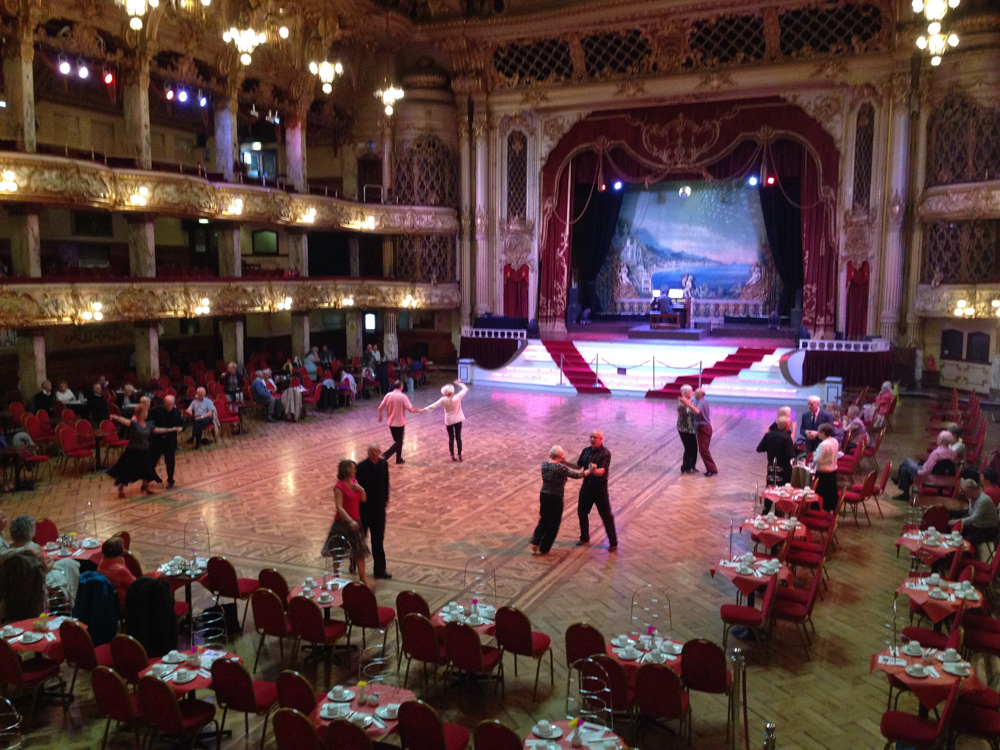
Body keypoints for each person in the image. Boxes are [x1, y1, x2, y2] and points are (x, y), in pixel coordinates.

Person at [531, 445, 589, 555]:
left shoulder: (544, 465)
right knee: (554, 522)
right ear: (561, 456)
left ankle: (536, 541)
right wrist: (589, 471)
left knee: (543, 519)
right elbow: (577, 475)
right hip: (555, 497)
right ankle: (545, 547)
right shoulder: (560, 468)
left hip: (544, 495)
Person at [322, 460, 370, 587]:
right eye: (353, 468)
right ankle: (336, 576)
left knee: (359, 551)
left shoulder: (354, 483)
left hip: (356, 521)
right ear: (347, 470)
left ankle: (363, 578)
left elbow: (364, 499)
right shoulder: (339, 487)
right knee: (338, 551)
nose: (355, 470)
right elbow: (339, 507)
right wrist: (350, 520)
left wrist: (360, 489)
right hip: (342, 523)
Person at [108, 403, 169, 497]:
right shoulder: (134, 424)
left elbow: (157, 430)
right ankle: (121, 487)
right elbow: (124, 421)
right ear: (140, 413)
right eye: (145, 412)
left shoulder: (148, 424)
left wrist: (171, 429)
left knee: (148, 469)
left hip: (145, 451)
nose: (147, 413)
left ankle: (145, 487)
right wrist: (116, 417)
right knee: (128, 471)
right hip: (132, 451)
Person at [574, 429, 618, 552]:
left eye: (595, 437)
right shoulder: (586, 451)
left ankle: (613, 542)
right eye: (591, 437)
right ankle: (584, 537)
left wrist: (594, 470)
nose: (592, 439)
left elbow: (602, 471)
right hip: (587, 486)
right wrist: (563, 462)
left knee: (606, 516)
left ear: (601, 439)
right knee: (582, 512)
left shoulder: (605, 453)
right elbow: (578, 465)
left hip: (599, 489)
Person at [355, 443, 391, 579]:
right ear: (370, 454)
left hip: (379, 510)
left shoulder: (383, 464)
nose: (378, 456)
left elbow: (386, 483)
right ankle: (355, 563)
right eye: (376, 454)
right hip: (365, 510)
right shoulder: (361, 467)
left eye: (379, 453)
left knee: (378, 540)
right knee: (361, 540)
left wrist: (385, 500)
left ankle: (380, 570)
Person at [893, 429, 957, 500]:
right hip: (942, 477)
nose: (937, 439)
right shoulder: (953, 453)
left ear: (941, 440)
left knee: (906, 460)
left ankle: (898, 479)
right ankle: (904, 493)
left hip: (928, 476)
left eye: (938, 438)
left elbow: (926, 471)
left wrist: (917, 472)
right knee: (904, 469)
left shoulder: (936, 453)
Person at [377, 381, 423, 465]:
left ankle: (398, 459)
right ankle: (385, 455)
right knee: (399, 442)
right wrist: (418, 410)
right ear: (401, 387)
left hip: (390, 422)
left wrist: (380, 416)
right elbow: (411, 409)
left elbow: (380, 407)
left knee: (397, 441)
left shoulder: (388, 395)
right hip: (399, 423)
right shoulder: (403, 397)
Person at [422, 379, 469, 461]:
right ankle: (460, 455)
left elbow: (433, 406)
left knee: (451, 438)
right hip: (458, 420)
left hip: (449, 420)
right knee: (458, 437)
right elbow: (465, 389)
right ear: (452, 392)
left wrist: (424, 409)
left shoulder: (443, 399)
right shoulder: (457, 397)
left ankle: (452, 455)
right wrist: (459, 383)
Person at [148, 395, 184, 488]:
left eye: (171, 404)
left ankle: (170, 480)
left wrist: (181, 428)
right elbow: (149, 420)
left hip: (170, 440)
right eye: (167, 404)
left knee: (170, 461)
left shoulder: (176, 412)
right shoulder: (156, 410)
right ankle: (147, 481)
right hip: (157, 439)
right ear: (164, 403)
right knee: (152, 460)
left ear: (174, 404)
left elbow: (182, 424)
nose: (169, 406)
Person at [952, 478, 1000, 546]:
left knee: (966, 540)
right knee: (956, 530)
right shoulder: (972, 498)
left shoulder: (983, 500)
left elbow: (974, 518)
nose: (962, 494)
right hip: (978, 525)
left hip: (988, 529)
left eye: (964, 491)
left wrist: (958, 521)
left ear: (971, 490)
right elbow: (970, 512)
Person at [757, 415, 796, 488]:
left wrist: (770, 447)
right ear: (786, 426)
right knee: (783, 488)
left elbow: (759, 449)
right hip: (784, 469)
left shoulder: (768, 435)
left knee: (770, 486)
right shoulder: (786, 438)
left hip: (771, 467)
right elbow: (790, 454)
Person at [96, 536, 135, 606]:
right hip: (121, 603)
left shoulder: (102, 562)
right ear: (121, 550)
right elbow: (135, 584)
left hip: (107, 600)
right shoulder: (120, 570)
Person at [811, 423, 840, 511]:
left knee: (821, 493)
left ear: (823, 433)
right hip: (833, 470)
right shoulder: (835, 441)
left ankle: (818, 510)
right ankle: (830, 508)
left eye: (819, 432)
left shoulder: (823, 444)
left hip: (823, 472)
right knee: (830, 493)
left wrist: (814, 455)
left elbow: (818, 459)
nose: (818, 433)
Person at [693, 387, 717, 477]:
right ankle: (711, 468)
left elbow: (697, 411)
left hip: (704, 428)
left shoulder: (701, 403)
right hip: (702, 428)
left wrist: (688, 405)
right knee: (703, 450)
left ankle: (712, 469)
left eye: (696, 393)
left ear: (701, 395)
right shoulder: (701, 402)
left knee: (704, 450)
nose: (694, 394)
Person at [677, 385, 699, 474]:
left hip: (691, 428)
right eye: (691, 391)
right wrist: (685, 404)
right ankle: (685, 467)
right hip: (684, 429)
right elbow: (681, 411)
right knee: (688, 448)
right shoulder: (681, 402)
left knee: (694, 448)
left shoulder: (691, 401)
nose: (692, 392)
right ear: (685, 392)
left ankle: (692, 466)